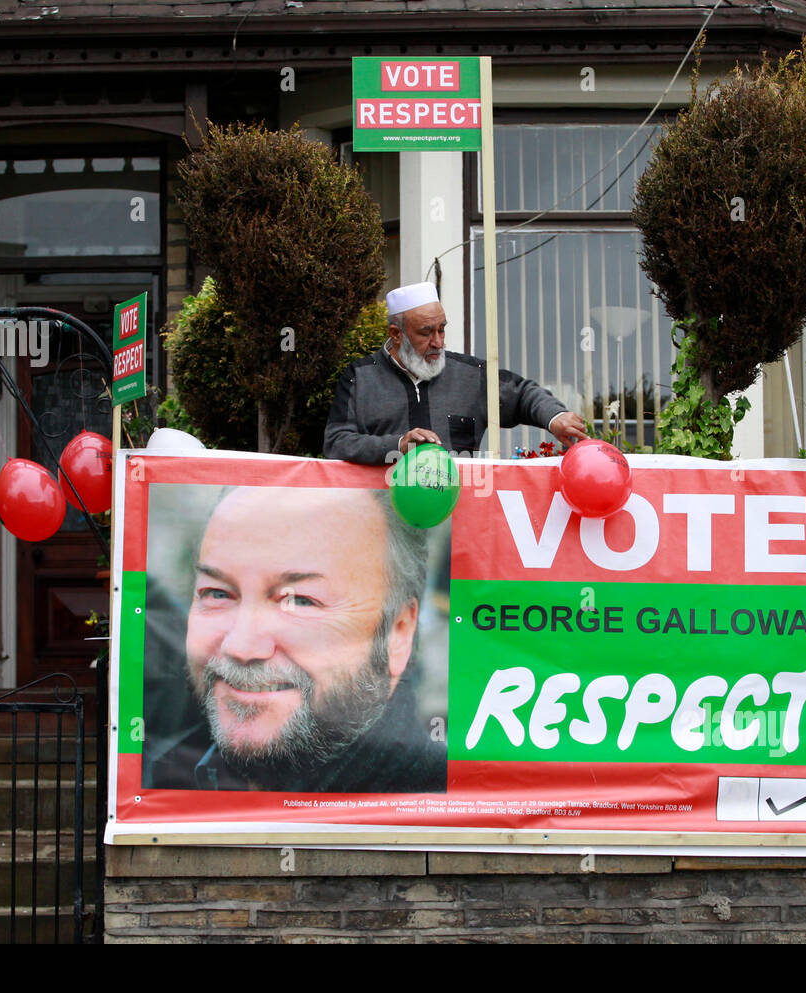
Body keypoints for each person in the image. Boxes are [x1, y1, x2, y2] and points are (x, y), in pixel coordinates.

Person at [147, 484, 447, 793]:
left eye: (299, 601)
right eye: (217, 593)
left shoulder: (438, 817)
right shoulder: (165, 781)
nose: (240, 646)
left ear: (398, 631)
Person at [324, 281, 589, 464]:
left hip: (461, 521)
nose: (438, 342)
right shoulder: (360, 377)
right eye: (426, 332)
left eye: (442, 329)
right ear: (396, 334)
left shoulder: (471, 375)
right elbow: (336, 443)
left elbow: (523, 395)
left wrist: (556, 417)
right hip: (383, 522)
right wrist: (398, 445)